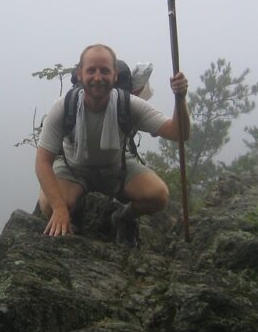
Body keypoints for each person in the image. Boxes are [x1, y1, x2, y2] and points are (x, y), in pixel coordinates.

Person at [35, 44, 189, 243]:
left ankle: (122, 217)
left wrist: (180, 98)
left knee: (158, 196)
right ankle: (72, 222)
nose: (98, 78)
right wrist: (59, 209)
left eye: (105, 71)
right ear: (80, 74)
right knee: (48, 205)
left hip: (116, 167)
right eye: (91, 70)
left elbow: (179, 132)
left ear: (115, 76)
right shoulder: (64, 106)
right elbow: (42, 161)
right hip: (74, 167)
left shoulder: (128, 105)